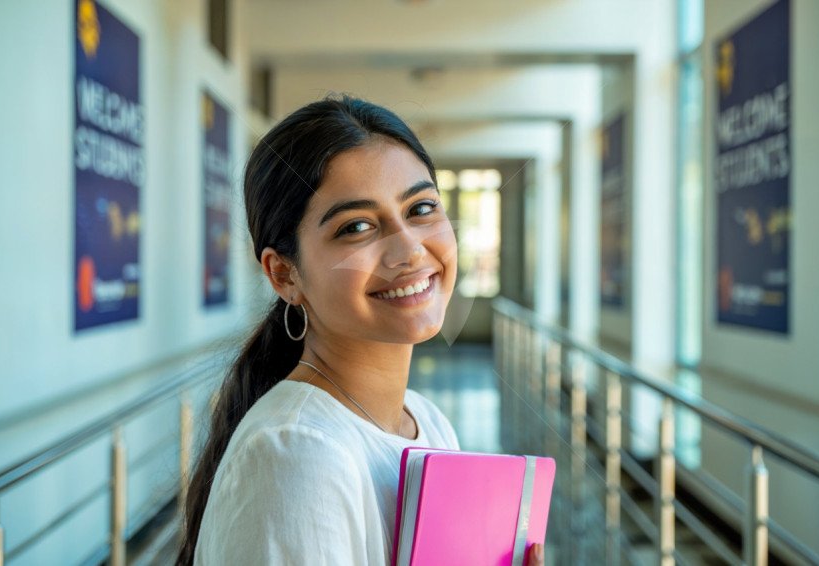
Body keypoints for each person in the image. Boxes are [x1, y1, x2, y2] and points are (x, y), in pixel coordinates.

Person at [177, 95, 546, 565]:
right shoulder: (296, 455)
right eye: (356, 227)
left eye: (420, 209)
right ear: (284, 274)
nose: (409, 250)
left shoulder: (427, 424)